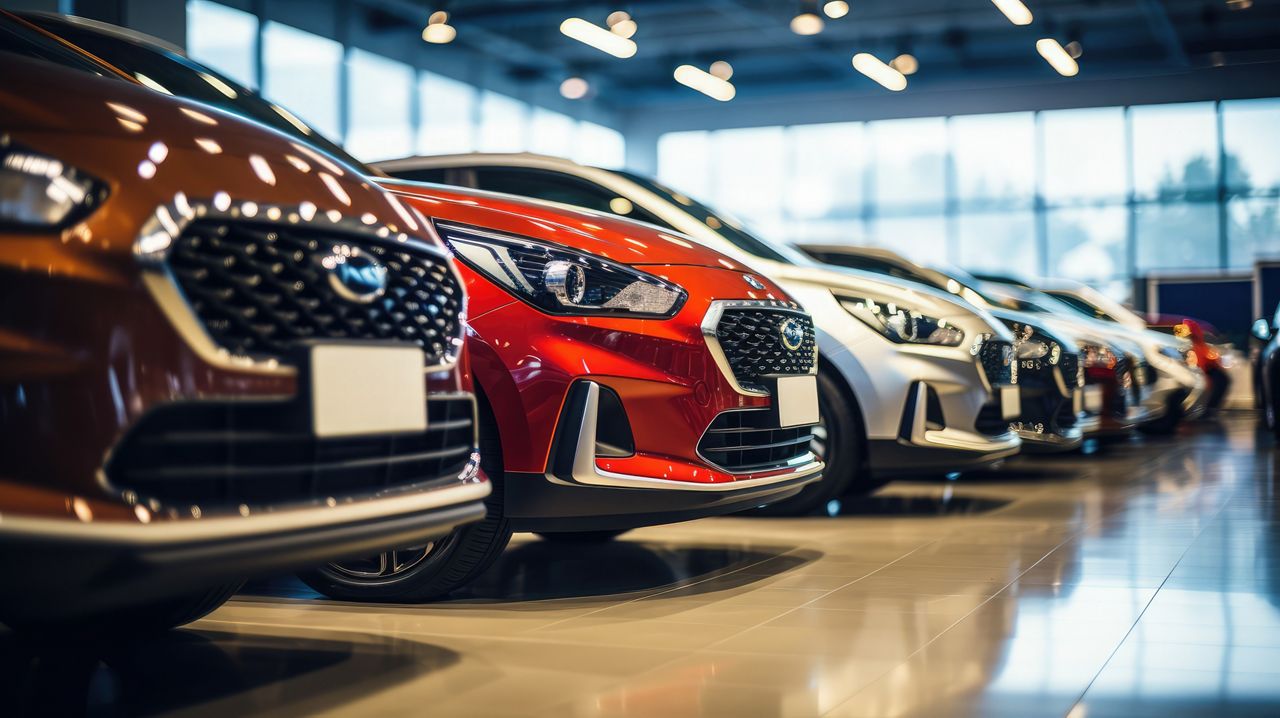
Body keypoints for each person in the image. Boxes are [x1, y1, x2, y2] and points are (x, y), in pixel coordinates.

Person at [1183, 319, 1231, 416]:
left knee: (1222, 380)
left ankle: (1209, 408)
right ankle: (1208, 409)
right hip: (1201, 374)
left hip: (1207, 373)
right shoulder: (1194, 345)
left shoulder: (1197, 345)